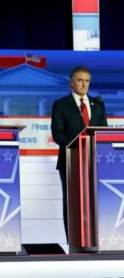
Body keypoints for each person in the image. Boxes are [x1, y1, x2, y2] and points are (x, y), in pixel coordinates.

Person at [50, 66, 107, 239]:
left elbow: (103, 131)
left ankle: (95, 238)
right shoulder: (60, 104)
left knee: (95, 200)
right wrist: (77, 146)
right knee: (72, 202)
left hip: (94, 161)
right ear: (71, 83)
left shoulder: (97, 105)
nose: (84, 84)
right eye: (80, 80)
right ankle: (73, 241)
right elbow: (57, 134)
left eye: (87, 81)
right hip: (70, 161)